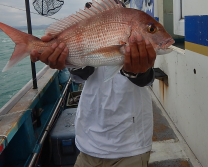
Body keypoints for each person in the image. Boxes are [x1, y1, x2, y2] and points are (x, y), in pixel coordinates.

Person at [30, 12, 156, 167]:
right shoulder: (93, 40)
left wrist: (135, 71)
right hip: (88, 144)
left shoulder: (141, 47)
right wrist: (64, 61)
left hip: (131, 147)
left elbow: (147, 77)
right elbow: (80, 74)